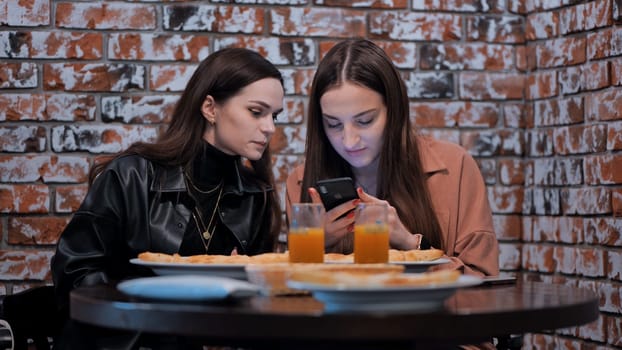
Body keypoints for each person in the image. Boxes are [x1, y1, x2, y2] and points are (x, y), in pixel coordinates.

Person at [51, 47, 284, 349]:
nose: (270, 127)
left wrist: (245, 281)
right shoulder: (132, 175)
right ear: (210, 108)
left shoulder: (255, 194)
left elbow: (256, 309)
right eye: (256, 111)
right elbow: (73, 271)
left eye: (274, 115)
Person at [286, 39, 499, 277]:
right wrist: (315, 244)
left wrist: (410, 243)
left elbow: (483, 280)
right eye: (333, 124)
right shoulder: (301, 181)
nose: (349, 141)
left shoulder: (453, 167)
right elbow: (289, 288)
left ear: (394, 111)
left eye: (365, 121)